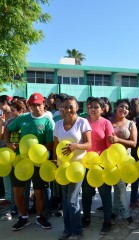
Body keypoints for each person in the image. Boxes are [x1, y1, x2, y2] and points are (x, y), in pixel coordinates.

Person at [4, 92, 54, 231]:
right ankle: (23, 217)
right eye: (34, 105)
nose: (37, 107)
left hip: (39, 162)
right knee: (17, 190)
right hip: (21, 160)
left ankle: (40, 217)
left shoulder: (48, 122)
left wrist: (36, 152)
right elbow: (8, 128)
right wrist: (8, 143)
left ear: (44, 104)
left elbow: (50, 144)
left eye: (39, 104)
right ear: (29, 106)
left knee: (39, 192)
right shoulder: (23, 118)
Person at [53, 95, 92, 240]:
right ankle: (67, 229)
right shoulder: (58, 124)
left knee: (72, 200)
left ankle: (77, 231)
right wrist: (56, 164)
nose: (68, 109)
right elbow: (56, 146)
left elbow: (89, 144)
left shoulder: (83, 122)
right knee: (65, 200)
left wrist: (75, 146)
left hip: (77, 167)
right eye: (65, 106)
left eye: (71, 106)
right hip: (62, 168)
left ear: (77, 107)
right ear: (61, 108)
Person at [81, 97, 114, 235]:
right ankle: (86, 217)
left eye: (96, 107)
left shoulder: (106, 123)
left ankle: (107, 221)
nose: (93, 109)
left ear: (102, 109)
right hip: (85, 164)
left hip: (101, 165)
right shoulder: (83, 122)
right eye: (90, 106)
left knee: (105, 194)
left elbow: (110, 147)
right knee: (86, 193)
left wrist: (108, 164)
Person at [107, 98, 137, 229]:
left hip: (125, 160)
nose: (123, 109)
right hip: (110, 160)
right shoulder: (108, 122)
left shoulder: (131, 124)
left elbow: (134, 143)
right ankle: (125, 216)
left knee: (121, 188)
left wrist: (118, 139)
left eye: (126, 108)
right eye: (121, 106)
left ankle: (115, 213)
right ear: (116, 107)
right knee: (118, 188)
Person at [1, 100, 28, 221]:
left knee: (25, 187)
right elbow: (5, 133)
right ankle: (14, 208)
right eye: (10, 111)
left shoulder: (26, 122)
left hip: (24, 159)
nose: (11, 113)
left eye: (13, 111)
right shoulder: (10, 123)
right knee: (14, 186)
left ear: (21, 111)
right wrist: (8, 144)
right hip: (12, 157)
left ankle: (25, 209)